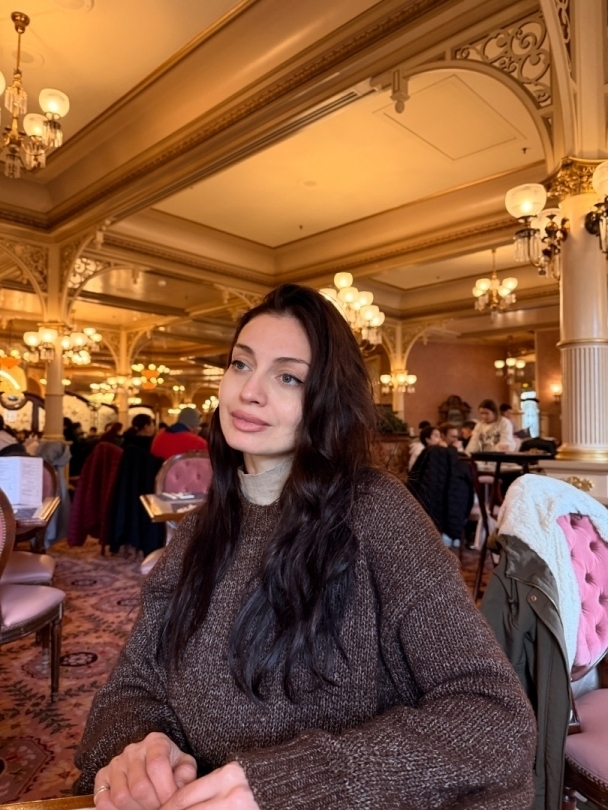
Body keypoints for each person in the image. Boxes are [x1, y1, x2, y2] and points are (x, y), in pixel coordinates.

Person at [74, 284, 535, 810]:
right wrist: (140, 746)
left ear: (326, 402)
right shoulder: (200, 531)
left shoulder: (376, 512)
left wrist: (289, 785)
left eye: (288, 377)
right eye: (241, 364)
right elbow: (131, 687)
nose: (250, 391)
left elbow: (496, 719)